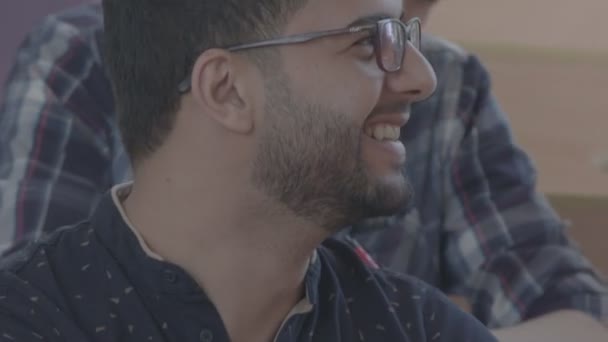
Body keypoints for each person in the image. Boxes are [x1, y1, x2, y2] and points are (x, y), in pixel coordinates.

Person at [0, 0, 606, 340]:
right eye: (369, 42)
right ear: (227, 91)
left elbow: (575, 304)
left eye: (404, 34)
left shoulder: (420, 328)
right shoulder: (29, 314)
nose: (421, 79)